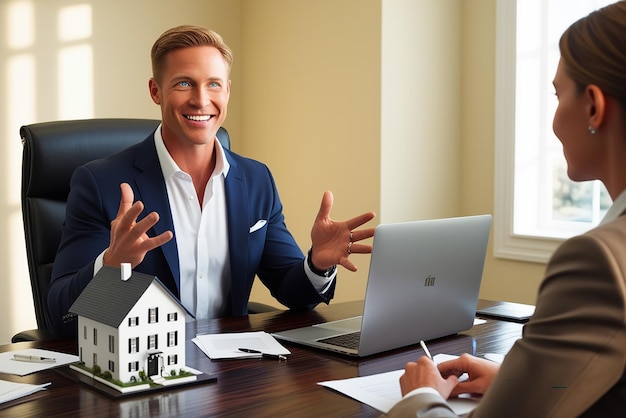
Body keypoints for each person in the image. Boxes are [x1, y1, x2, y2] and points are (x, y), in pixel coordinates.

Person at [46, 25, 376, 339]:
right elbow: (61, 320)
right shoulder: (100, 182)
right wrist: (111, 267)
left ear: (227, 90)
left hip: (233, 377)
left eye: (214, 84)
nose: (201, 100)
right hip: (147, 373)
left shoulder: (256, 179)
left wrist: (317, 263)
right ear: (155, 91)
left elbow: (291, 290)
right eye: (184, 84)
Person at [387, 2, 626, 417]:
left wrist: (419, 397)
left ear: (593, 106)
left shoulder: (598, 262)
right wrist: (522, 383)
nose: (553, 121)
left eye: (557, 94)